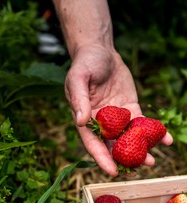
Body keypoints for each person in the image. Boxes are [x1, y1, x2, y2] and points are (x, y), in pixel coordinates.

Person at [52, 0, 173, 176]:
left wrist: (96, 44)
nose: (136, 132)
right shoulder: (119, 127)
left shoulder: (126, 128)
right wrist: (91, 46)